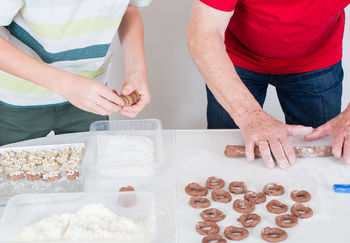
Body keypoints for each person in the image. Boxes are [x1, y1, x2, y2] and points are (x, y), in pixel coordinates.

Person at [187, 0, 350, 168]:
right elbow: (203, 33)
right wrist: (249, 115)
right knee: (227, 159)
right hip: (236, 59)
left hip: (318, 59)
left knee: (321, 160)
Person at [0, 0, 151, 145]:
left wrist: (136, 70)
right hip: (19, 100)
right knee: (14, 171)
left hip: (92, 97)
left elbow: (128, 8)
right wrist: (65, 84)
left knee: (89, 168)